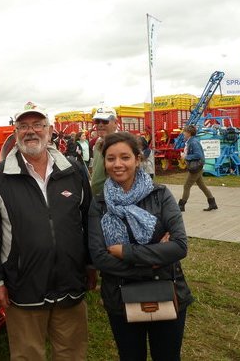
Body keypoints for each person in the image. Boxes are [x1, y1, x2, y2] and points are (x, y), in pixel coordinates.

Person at [0, 101, 95, 360]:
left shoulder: (73, 171)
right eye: (23, 126)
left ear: (50, 130)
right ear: (15, 132)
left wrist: (89, 264)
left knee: (72, 353)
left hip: (70, 283)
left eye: (38, 125)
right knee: (27, 355)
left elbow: (87, 220)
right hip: (23, 287)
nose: (31, 131)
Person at [88, 132, 194, 361]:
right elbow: (99, 258)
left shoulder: (160, 194)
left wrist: (126, 252)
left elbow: (178, 246)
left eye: (125, 157)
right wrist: (154, 262)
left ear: (137, 159)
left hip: (166, 290)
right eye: (110, 158)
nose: (117, 164)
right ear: (104, 162)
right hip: (120, 297)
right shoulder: (99, 204)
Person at [178, 125, 218, 212]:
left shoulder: (193, 142)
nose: (183, 133)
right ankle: (212, 203)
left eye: (184, 132)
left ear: (189, 133)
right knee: (202, 185)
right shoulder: (190, 141)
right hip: (197, 167)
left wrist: (186, 157)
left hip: (196, 167)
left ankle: (181, 206)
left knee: (186, 186)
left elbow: (198, 155)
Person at [90, 106, 119, 196]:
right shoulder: (98, 142)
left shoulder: (120, 144)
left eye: (105, 121)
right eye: (97, 121)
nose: (100, 124)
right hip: (97, 199)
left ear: (115, 123)